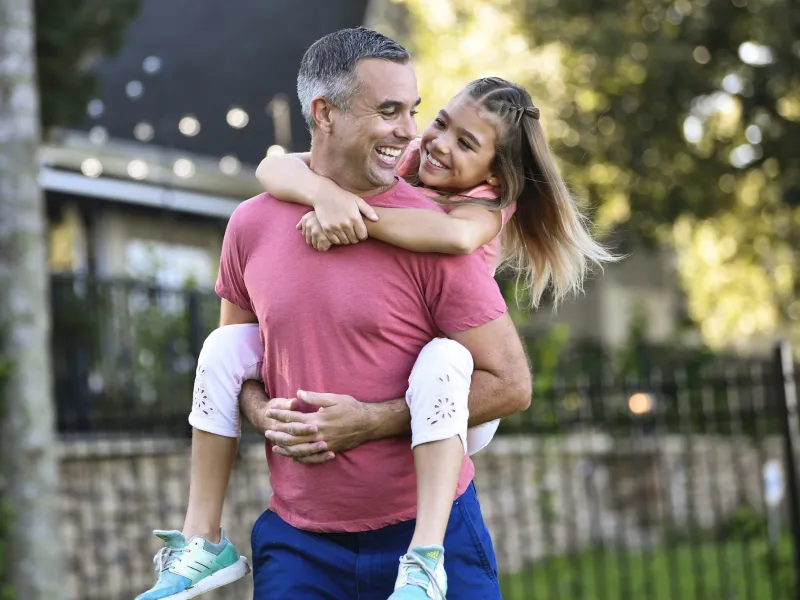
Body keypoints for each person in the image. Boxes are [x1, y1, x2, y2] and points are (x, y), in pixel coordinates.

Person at [137, 27, 532, 600]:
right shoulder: (252, 223)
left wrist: (370, 421)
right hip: (300, 543)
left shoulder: (440, 234)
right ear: (324, 113)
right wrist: (263, 412)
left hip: (434, 532)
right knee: (219, 348)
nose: (413, 132)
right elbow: (238, 362)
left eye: (413, 110)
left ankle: (424, 559)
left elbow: (512, 385)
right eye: (390, 111)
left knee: (445, 360)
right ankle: (203, 538)